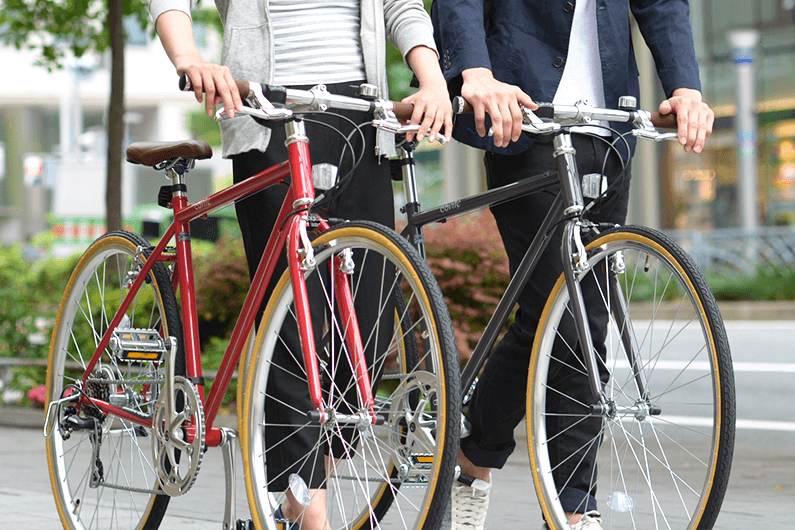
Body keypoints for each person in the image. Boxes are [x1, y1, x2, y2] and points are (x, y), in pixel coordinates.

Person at [148, 1, 452, 529]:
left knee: (371, 321)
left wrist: (431, 79)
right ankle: (308, 510)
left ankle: (297, 492)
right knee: (291, 319)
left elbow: (402, 6)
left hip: (361, 113)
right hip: (267, 111)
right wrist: (190, 58)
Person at [431, 0, 714, 529]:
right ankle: (575, 509)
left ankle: (475, 457)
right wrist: (474, 73)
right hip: (522, 116)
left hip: (610, 126)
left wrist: (685, 87)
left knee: (583, 315)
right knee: (556, 309)